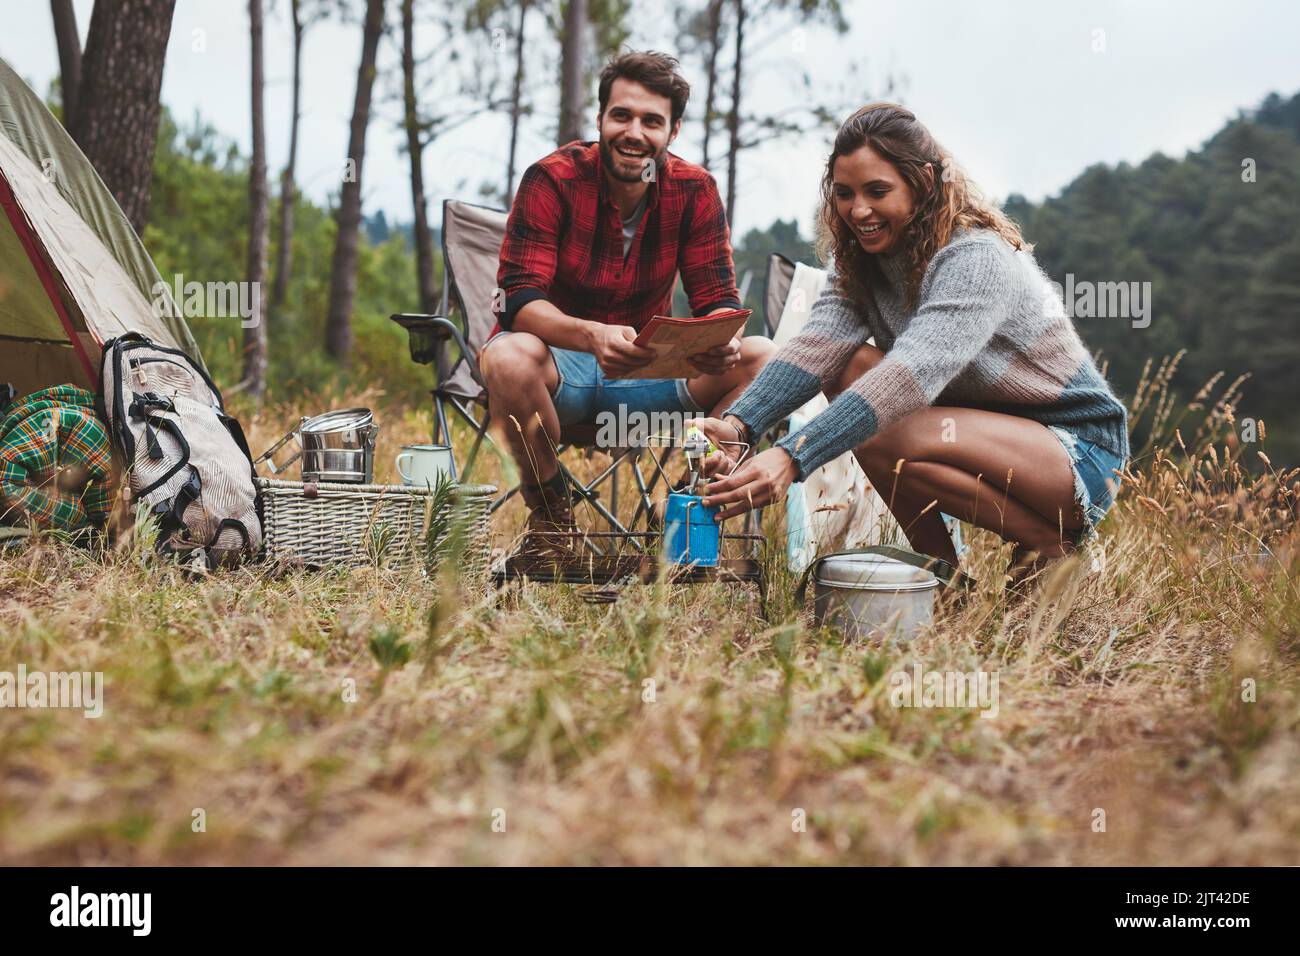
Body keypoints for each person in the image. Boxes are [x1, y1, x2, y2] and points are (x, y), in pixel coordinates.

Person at [695, 103, 1130, 580]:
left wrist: (793, 456)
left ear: (923, 182)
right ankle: (940, 579)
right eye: (844, 194)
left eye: (877, 191)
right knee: (849, 371)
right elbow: (816, 348)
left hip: (1075, 450)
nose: (858, 210)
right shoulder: (862, 260)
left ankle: (1054, 548)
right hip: (985, 435)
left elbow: (909, 378)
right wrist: (740, 424)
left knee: (887, 426)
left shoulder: (975, 258)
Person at [481, 50, 774, 557]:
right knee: (507, 354)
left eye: (651, 121)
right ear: (600, 120)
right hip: (561, 377)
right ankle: (552, 521)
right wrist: (592, 335)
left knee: (762, 357)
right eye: (622, 116)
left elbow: (719, 304)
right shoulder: (551, 179)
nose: (634, 132)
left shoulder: (695, 190)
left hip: (647, 382)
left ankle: (686, 508)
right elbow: (519, 301)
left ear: (672, 131)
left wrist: (720, 343)